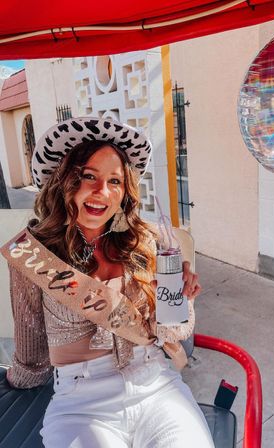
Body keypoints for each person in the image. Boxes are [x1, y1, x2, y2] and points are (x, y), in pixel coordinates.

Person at [4, 117, 214, 448]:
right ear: (64, 181)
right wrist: (15, 382)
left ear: (124, 192)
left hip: (157, 387)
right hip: (81, 405)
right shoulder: (34, 254)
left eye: (114, 181)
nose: (102, 191)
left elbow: (173, 333)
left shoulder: (146, 241)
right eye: (89, 176)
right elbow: (32, 354)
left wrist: (180, 302)